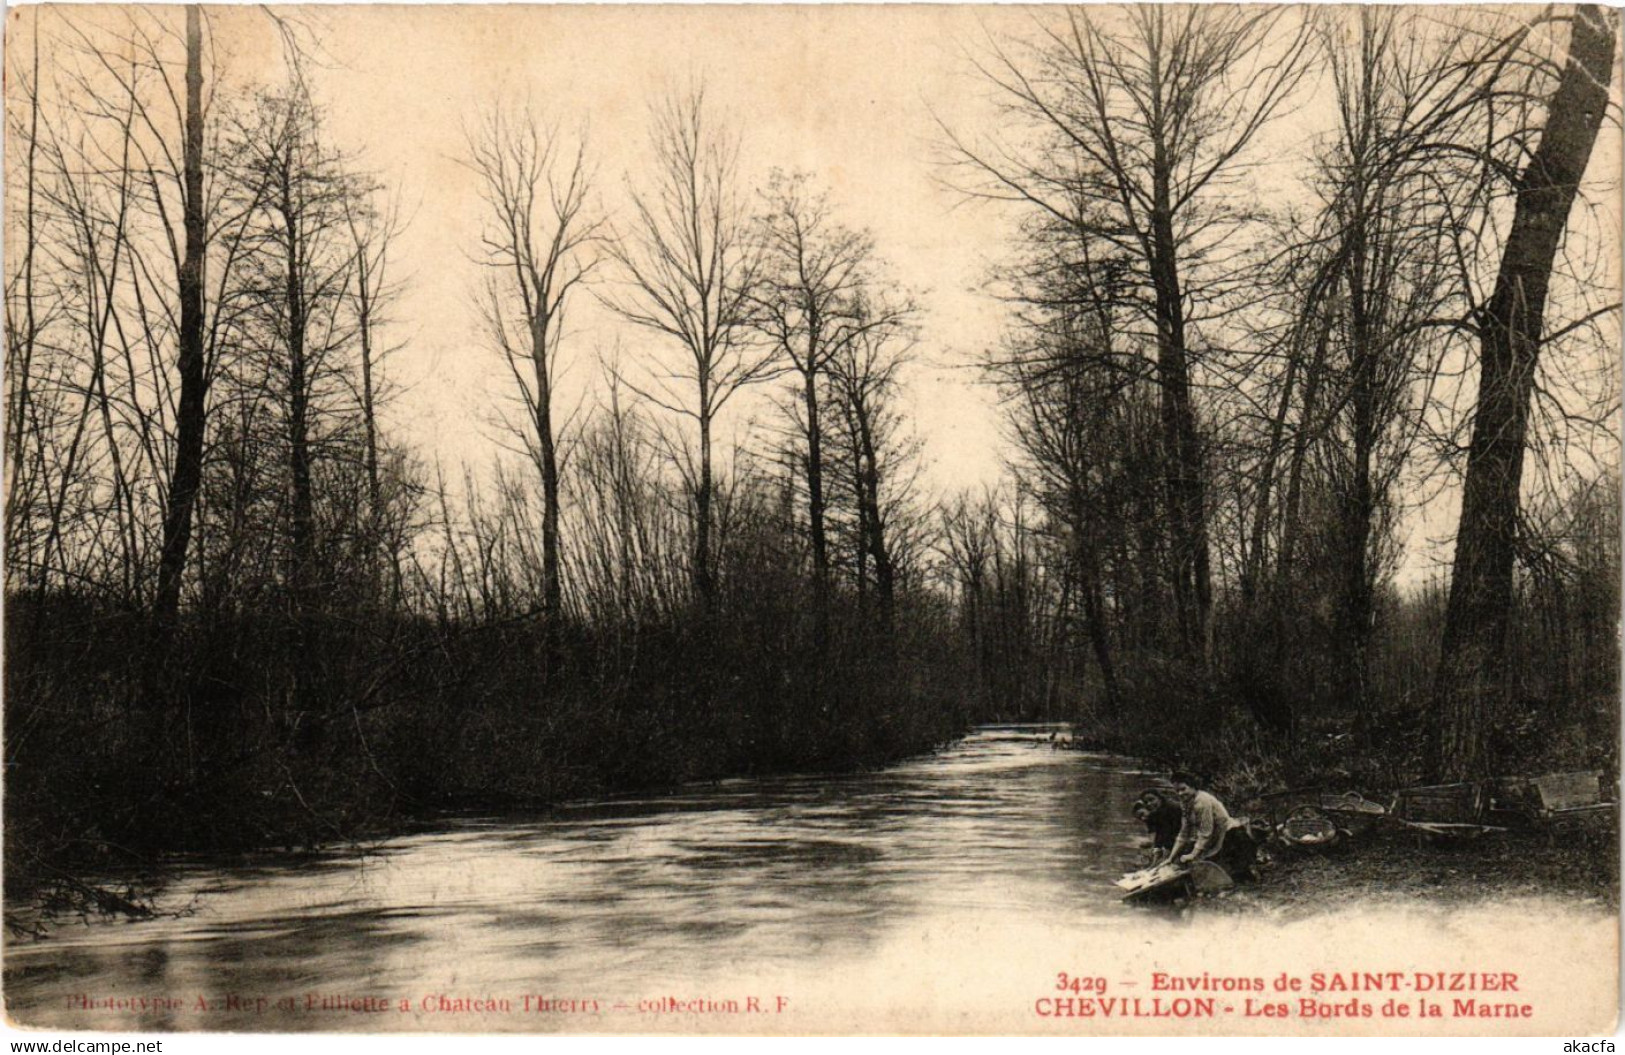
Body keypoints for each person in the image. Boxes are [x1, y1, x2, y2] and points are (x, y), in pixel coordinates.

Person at [1162, 771, 1257, 881]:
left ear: (1193, 787)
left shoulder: (1202, 801)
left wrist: (1193, 854)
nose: (1180, 793)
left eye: (1183, 789)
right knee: (1185, 862)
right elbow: (1184, 832)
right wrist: (1171, 857)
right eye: (1177, 791)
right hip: (1214, 837)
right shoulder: (1186, 802)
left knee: (1232, 874)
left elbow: (1205, 832)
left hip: (1230, 835)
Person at [1132, 789, 1184, 861]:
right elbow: (1159, 833)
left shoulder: (1172, 808)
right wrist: (1157, 849)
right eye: (1146, 802)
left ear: (1159, 798)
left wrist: (1164, 849)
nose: (1149, 803)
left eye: (1151, 799)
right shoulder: (1155, 812)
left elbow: (1175, 831)